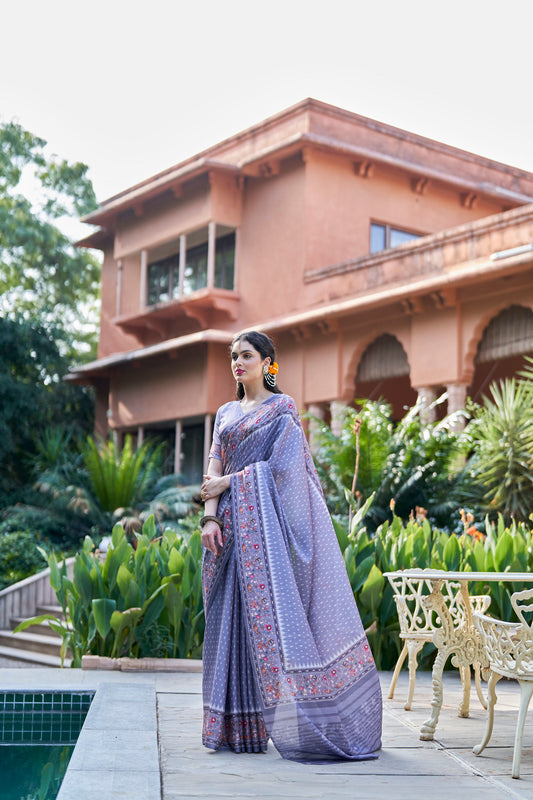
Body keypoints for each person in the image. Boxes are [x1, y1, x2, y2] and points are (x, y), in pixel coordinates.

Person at [200, 330, 382, 762]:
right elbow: (213, 468)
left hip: (263, 534)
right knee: (226, 624)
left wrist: (233, 483)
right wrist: (209, 516)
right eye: (233, 357)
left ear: (268, 363)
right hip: (224, 530)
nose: (237, 363)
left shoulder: (282, 410)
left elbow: (286, 474)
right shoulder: (225, 413)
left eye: (246, 355)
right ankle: (235, 731)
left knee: (263, 628)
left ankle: (300, 722)